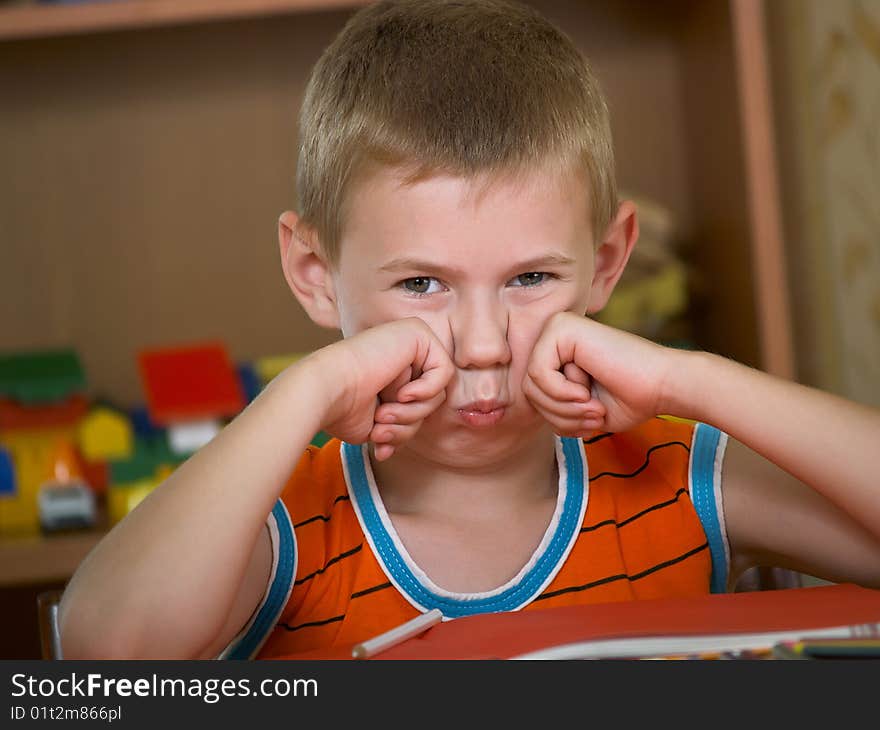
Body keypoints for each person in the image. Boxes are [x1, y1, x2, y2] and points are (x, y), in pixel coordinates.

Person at [59, 0, 880, 660]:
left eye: (530, 278)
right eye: (422, 284)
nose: (483, 344)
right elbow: (107, 655)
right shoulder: (284, 521)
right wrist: (304, 389)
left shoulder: (674, 470)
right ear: (314, 275)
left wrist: (687, 379)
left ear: (606, 261)